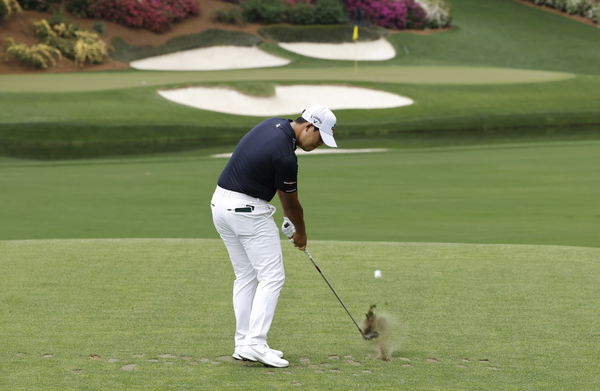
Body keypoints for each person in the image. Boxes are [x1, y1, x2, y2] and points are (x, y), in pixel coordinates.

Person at [210, 105, 337, 368]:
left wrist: (290, 223)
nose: (320, 144)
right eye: (320, 138)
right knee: (272, 277)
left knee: (245, 275)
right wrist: (301, 233)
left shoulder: (273, 124)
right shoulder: (286, 157)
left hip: (220, 205)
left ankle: (243, 344)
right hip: (246, 211)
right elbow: (291, 205)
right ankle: (255, 344)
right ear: (309, 127)